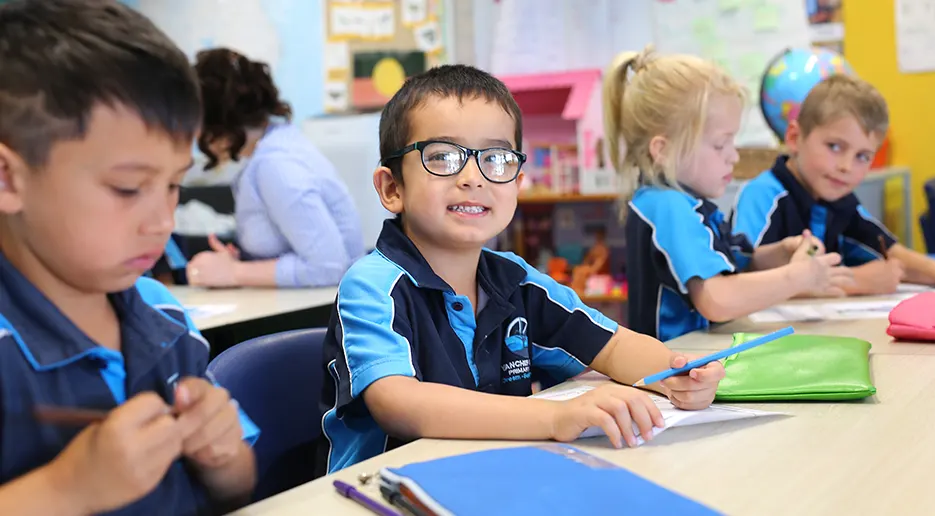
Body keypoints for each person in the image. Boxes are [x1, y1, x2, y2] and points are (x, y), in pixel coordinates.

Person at [315, 64, 728, 476]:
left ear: (517, 183)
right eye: (442, 156)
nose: (473, 178)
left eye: (496, 158)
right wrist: (554, 418)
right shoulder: (372, 285)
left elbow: (613, 346)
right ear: (392, 188)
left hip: (490, 479)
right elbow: (400, 404)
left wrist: (674, 373)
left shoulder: (516, 281)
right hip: (379, 490)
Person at [0, 1, 258, 514]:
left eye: (173, 186)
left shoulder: (162, 312)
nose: (162, 221)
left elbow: (239, 487)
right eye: (127, 188)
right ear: (9, 179)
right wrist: (64, 490)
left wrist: (222, 456)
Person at [607, 47, 854, 342]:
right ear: (663, 150)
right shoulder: (669, 206)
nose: (733, 157)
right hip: (677, 370)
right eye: (720, 144)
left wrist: (777, 254)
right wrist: (799, 277)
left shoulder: (674, 200)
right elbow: (716, 298)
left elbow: (727, 262)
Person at [733, 74, 935, 294]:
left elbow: (893, 255)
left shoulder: (840, 200)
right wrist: (856, 281)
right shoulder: (762, 195)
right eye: (834, 146)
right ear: (794, 138)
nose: (846, 167)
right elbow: (743, 281)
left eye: (862, 156)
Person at [186, 48, 363, 288]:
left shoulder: (276, 165)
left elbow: (329, 267)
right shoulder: (275, 146)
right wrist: (243, 263)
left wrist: (235, 272)